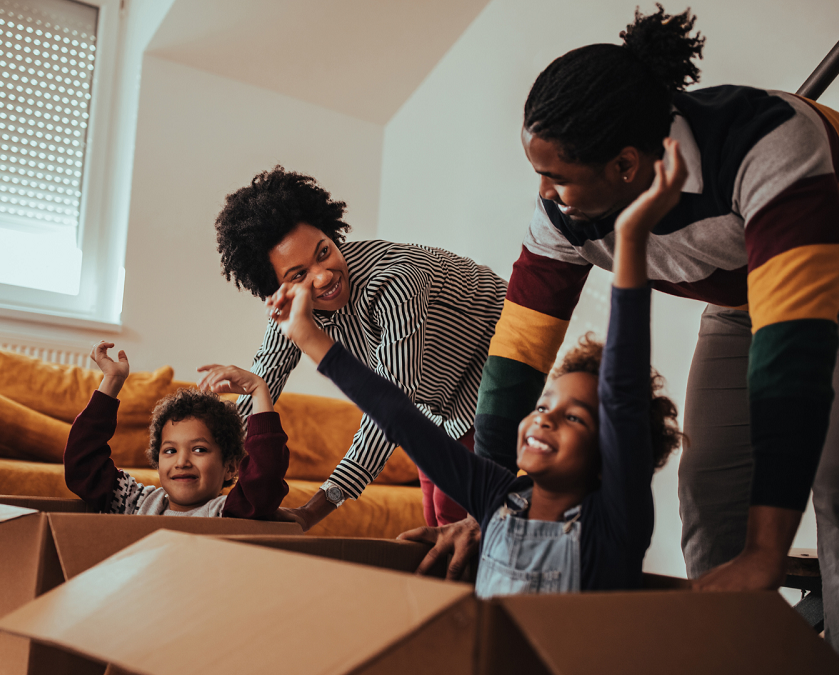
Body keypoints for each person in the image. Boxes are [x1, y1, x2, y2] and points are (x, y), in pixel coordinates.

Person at [455, 5, 839, 669]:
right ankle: (725, 653)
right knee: (708, 484)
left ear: (626, 165)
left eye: (557, 176)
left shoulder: (768, 145)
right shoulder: (563, 216)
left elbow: (791, 363)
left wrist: (768, 550)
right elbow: (515, 360)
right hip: (739, 294)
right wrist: (492, 509)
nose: (544, 193)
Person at [265, 138, 686, 594]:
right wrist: (307, 337)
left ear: (610, 453)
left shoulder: (616, 520)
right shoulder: (496, 497)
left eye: (573, 418)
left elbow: (622, 391)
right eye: (544, 407)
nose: (541, 419)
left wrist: (631, 239)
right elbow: (396, 412)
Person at [214, 167, 506, 529]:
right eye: (298, 275)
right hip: (433, 399)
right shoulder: (291, 308)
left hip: (494, 367)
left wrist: (313, 510)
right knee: (435, 520)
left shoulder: (395, 282)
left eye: (324, 252)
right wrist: (210, 452)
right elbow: (265, 375)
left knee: (454, 516)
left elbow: (387, 414)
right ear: (278, 287)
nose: (323, 276)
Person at [63, 341, 289, 518]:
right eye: (170, 451)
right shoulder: (136, 502)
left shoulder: (228, 512)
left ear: (230, 467)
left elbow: (264, 480)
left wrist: (260, 390)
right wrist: (111, 381)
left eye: (199, 449)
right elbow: (82, 466)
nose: (182, 462)